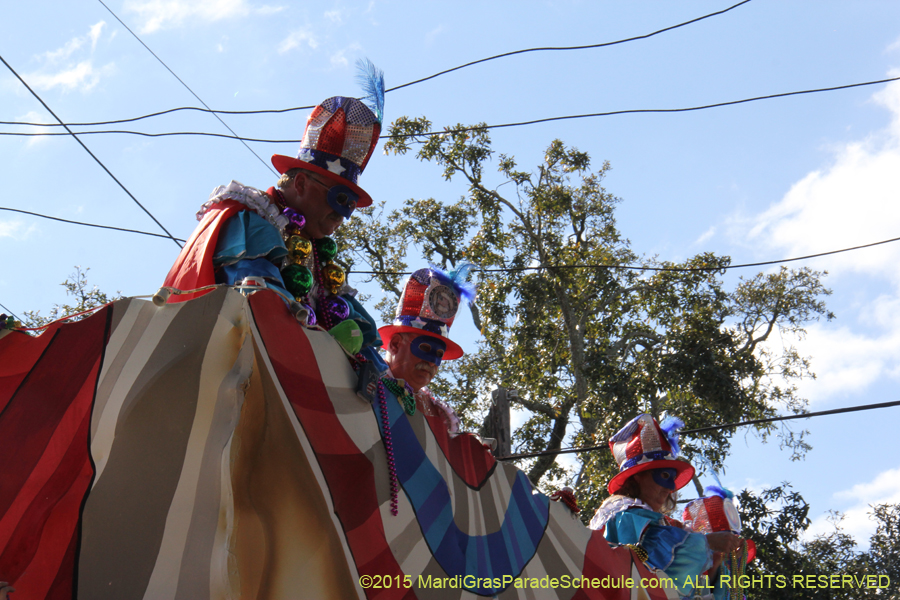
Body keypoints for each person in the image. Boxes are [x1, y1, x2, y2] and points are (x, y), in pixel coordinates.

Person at [161, 63, 385, 359]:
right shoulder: (252, 222)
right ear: (302, 182)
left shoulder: (324, 269)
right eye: (338, 198)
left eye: (351, 206)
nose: (342, 215)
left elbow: (367, 351)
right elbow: (258, 304)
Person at [589, 413, 743, 599]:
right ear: (637, 476)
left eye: (672, 479)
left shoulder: (665, 525)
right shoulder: (622, 513)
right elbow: (646, 560)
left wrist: (715, 562)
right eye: (663, 476)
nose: (669, 489)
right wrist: (707, 543)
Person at [377, 265, 474, 433]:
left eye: (439, 354)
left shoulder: (439, 416)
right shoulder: (365, 377)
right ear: (395, 345)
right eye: (424, 347)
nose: (431, 362)